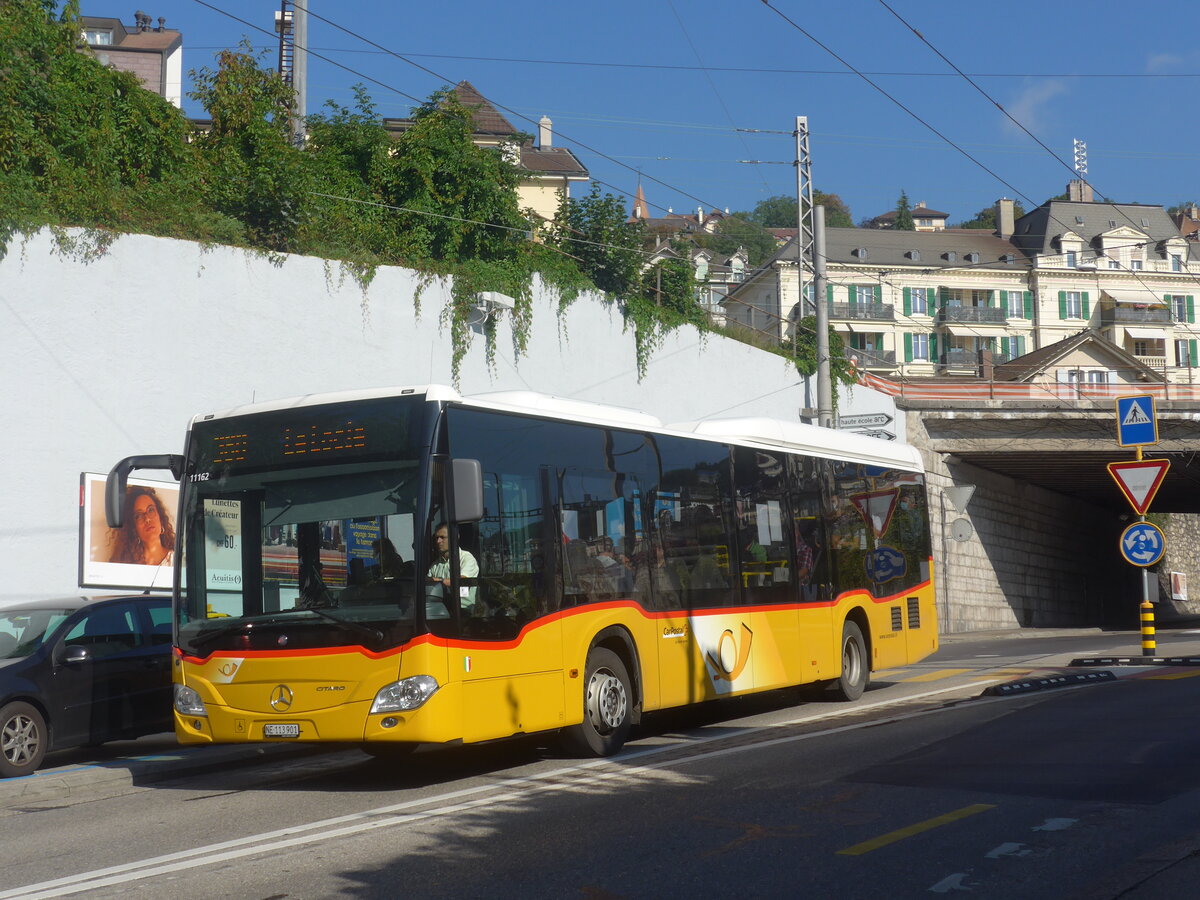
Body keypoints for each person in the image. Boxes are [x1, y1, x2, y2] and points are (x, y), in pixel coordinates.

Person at [108, 486, 174, 566]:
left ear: (161, 518)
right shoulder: (125, 565)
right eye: (138, 516)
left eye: (151, 510)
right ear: (133, 527)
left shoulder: (178, 561)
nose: (147, 519)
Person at [428, 524, 479, 612]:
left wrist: (437, 580)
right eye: (436, 538)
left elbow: (462, 581)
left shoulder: (466, 558)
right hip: (441, 608)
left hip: (464, 610)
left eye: (442, 537)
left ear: (454, 538)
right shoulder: (435, 565)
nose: (438, 541)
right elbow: (427, 582)